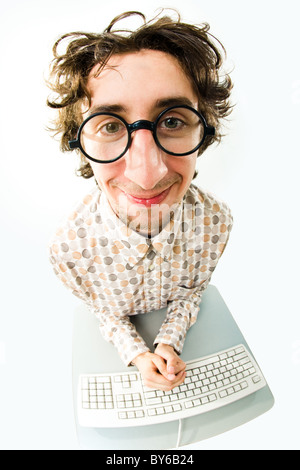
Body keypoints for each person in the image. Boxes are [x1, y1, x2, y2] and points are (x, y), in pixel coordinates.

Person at [47, 10, 233, 391]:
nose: (146, 175)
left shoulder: (216, 224)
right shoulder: (69, 252)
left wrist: (168, 341)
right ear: (78, 144)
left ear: (205, 132)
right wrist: (136, 353)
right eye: (110, 126)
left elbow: (191, 292)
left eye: (172, 121)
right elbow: (105, 311)